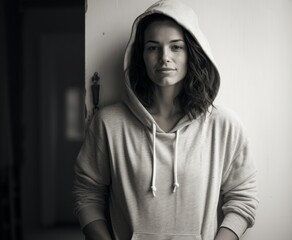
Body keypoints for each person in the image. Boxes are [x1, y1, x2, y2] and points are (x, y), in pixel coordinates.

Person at [73, 0, 258, 239]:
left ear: (192, 52)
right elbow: (87, 193)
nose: (164, 57)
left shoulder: (224, 125)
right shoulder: (109, 124)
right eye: (153, 47)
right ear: (141, 55)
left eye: (176, 47)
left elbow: (243, 197)